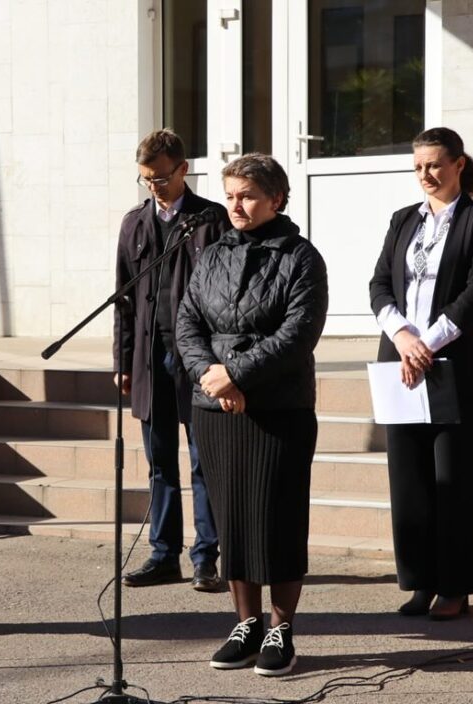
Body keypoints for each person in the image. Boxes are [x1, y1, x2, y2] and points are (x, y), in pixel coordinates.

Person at [177, 153, 328, 676]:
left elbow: (297, 334)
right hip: (215, 407)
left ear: (276, 199)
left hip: (278, 408)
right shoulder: (212, 253)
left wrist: (236, 374)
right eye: (230, 195)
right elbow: (187, 323)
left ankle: (281, 628)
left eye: (246, 196)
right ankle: (246, 623)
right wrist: (210, 376)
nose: (235, 205)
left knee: (279, 519)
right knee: (234, 518)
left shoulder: (302, 257)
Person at [369, 127, 473, 621]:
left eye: (434, 165)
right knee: (409, 478)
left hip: (452, 365)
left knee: (453, 478)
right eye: (418, 166)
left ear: (458, 165)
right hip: (400, 362)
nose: (425, 175)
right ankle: (420, 580)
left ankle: (455, 585)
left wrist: (428, 343)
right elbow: (380, 284)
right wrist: (403, 336)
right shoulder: (403, 220)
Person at [114, 129, 227, 591]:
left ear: (183, 169)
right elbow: (122, 300)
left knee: (204, 461)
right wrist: (121, 360)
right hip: (148, 357)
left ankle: (207, 557)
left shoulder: (212, 220)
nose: (154, 188)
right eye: (146, 180)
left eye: (161, 178)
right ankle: (164, 554)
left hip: (199, 360)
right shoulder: (134, 223)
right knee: (160, 461)